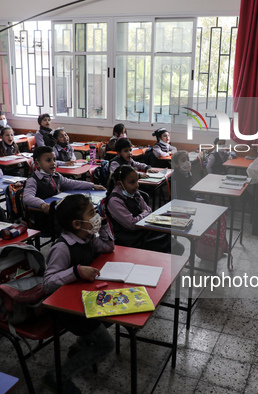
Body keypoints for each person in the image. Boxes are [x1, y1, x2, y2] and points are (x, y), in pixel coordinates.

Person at [42, 194, 114, 393]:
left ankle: (82, 344)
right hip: (68, 310)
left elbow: (108, 247)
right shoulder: (62, 248)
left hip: (86, 300)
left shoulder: (87, 236)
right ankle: (57, 376)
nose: (96, 216)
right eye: (92, 213)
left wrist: (104, 224)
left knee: (113, 313)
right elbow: (47, 284)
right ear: (76, 223)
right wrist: (76, 272)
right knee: (106, 345)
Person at [23, 146, 105, 232]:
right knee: (76, 219)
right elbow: (27, 197)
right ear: (37, 164)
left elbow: (71, 183)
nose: (53, 163)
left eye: (54, 159)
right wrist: (42, 204)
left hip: (56, 212)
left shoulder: (56, 175)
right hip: (43, 217)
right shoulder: (33, 180)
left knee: (80, 214)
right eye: (48, 160)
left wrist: (92, 185)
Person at [106, 165, 184, 255]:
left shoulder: (135, 193)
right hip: (132, 239)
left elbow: (149, 210)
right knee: (174, 248)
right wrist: (144, 214)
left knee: (172, 242)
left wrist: (145, 214)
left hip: (143, 231)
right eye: (132, 182)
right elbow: (132, 224)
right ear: (120, 184)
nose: (137, 185)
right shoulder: (114, 201)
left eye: (136, 181)